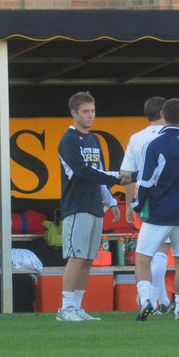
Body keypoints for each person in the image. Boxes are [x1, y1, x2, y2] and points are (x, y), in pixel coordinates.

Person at [56, 91, 129, 321]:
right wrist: (118, 177)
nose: (90, 116)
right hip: (76, 207)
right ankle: (65, 308)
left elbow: (99, 173)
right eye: (86, 111)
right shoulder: (68, 141)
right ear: (74, 113)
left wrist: (110, 200)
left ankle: (77, 306)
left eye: (93, 111)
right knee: (76, 257)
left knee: (88, 260)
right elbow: (84, 172)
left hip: (95, 207)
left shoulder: (94, 140)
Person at [132, 98, 179, 321]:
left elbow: (146, 181)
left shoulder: (156, 144)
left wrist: (137, 205)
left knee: (142, 257)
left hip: (160, 213)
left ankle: (146, 301)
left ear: (162, 114)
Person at [121, 96, 174, 314]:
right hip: (168, 198)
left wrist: (127, 205)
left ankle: (161, 301)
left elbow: (126, 175)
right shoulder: (170, 137)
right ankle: (152, 299)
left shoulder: (136, 138)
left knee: (148, 253)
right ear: (163, 112)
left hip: (143, 201)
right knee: (162, 251)